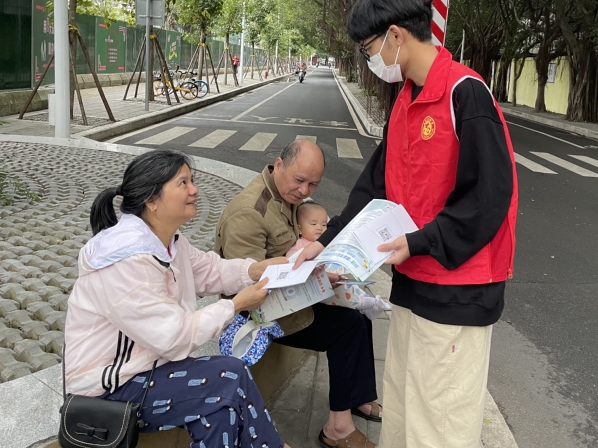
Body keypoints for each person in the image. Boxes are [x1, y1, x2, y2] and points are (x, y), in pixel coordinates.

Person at [293, 0, 518, 448]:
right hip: (414, 282)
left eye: (368, 47)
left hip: (459, 289)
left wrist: (419, 241)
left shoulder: (465, 95)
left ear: (396, 35)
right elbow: (376, 185)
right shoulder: (408, 101)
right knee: (404, 406)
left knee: (440, 421)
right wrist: (327, 239)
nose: (369, 59)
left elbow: (490, 197)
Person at [63, 150, 290, 448]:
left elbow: (208, 270)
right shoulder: (125, 261)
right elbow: (174, 336)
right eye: (183, 183)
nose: (194, 190)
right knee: (229, 375)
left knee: (219, 411)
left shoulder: (168, 241)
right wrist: (235, 304)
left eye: (191, 180)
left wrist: (253, 269)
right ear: (152, 200)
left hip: (148, 371)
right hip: (107, 390)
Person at [215, 140, 382, 448]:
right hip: (263, 317)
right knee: (348, 328)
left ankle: (357, 396)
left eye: (313, 184)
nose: (305, 191)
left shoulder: (286, 196)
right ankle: (338, 429)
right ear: (278, 164)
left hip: (293, 297)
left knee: (362, 318)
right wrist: (312, 281)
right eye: (299, 181)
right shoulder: (249, 212)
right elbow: (245, 288)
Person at [288, 202, 389, 318]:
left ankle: (367, 302)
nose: (319, 228)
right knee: (342, 295)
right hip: (318, 286)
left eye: (324, 224)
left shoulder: (326, 243)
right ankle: (361, 304)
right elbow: (291, 262)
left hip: (335, 278)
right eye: (313, 224)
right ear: (300, 229)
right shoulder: (300, 245)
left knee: (352, 287)